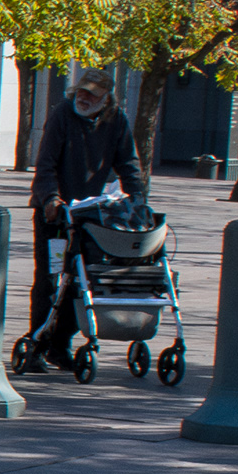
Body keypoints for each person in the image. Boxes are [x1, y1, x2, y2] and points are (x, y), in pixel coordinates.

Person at [24, 72, 147, 367]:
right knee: (51, 280)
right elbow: (45, 164)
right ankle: (37, 345)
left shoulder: (116, 119)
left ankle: (60, 345)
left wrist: (138, 202)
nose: (84, 98)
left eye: (92, 95)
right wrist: (51, 198)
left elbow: (128, 165)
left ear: (106, 99)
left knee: (80, 280)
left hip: (89, 214)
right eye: (82, 92)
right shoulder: (62, 115)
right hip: (55, 215)